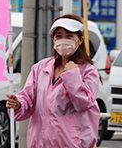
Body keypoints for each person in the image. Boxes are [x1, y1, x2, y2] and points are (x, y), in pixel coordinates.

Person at [6, 14, 100, 148]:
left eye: (69, 36)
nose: (63, 40)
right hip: (39, 143)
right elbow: (28, 99)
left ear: (80, 40)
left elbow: (84, 104)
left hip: (71, 144)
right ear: (53, 40)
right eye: (58, 36)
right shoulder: (40, 68)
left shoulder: (88, 71)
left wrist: (72, 75)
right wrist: (18, 104)